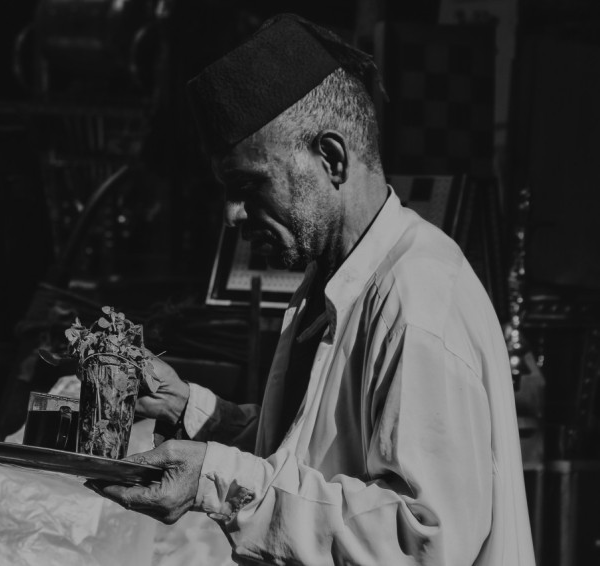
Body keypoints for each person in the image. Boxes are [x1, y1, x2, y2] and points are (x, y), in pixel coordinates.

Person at [86, 13, 535, 565]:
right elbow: (310, 462)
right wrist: (194, 412)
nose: (231, 215)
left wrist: (216, 481)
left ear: (332, 158)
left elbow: (421, 543)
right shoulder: (334, 282)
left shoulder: (417, 299)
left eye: (248, 186)